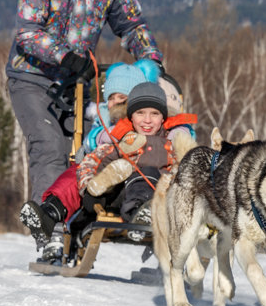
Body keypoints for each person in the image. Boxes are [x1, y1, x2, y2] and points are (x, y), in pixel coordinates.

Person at [6, 0, 163, 211]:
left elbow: (132, 25)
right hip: (32, 78)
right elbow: (26, 33)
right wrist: (63, 56)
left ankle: (80, 221)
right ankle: (48, 225)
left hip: (76, 81)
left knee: (89, 148)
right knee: (50, 146)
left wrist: (151, 60)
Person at [18, 63, 144, 259]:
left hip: (127, 183)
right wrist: (94, 143)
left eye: (122, 98)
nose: (116, 102)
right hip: (95, 176)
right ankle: (50, 213)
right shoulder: (103, 121)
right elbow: (90, 142)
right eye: (111, 98)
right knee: (74, 175)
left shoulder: (143, 121)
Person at [76, 82, 186, 242]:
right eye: (140, 113)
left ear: (163, 118)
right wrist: (87, 188)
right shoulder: (122, 139)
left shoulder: (170, 145)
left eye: (154, 114)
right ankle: (135, 211)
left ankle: (147, 211)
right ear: (131, 117)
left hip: (161, 199)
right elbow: (90, 161)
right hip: (121, 197)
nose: (147, 120)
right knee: (127, 168)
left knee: (159, 174)